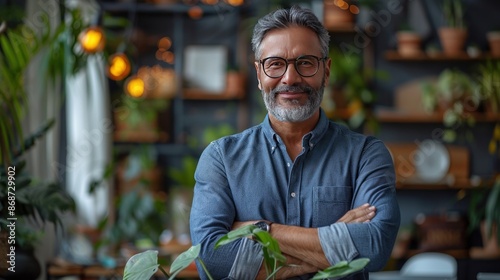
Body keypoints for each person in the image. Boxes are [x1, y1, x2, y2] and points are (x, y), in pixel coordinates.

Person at [190, 5, 400, 280]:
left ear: (326, 70)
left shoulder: (365, 155)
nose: (290, 78)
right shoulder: (221, 158)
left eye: (305, 63)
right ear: (258, 74)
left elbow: (374, 248)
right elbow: (212, 260)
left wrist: (260, 230)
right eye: (275, 64)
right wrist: (335, 241)